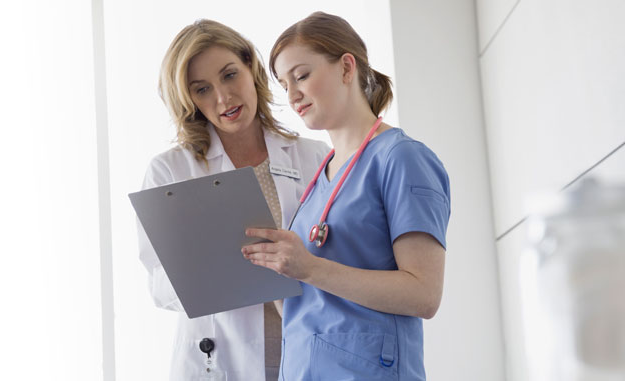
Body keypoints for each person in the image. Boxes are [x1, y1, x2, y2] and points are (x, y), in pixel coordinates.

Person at [241, 12, 450, 380]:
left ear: (346, 67)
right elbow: (314, 300)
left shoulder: (400, 158)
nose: (292, 95)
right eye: (284, 84)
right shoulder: (321, 176)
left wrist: (309, 267)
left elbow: (424, 294)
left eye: (301, 75)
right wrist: (272, 269)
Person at [137, 19, 330, 380]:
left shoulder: (315, 157)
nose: (223, 98)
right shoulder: (171, 170)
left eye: (229, 76)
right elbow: (158, 285)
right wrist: (209, 272)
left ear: (251, 68)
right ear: (189, 99)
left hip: (307, 349)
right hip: (220, 360)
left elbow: (338, 254)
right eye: (202, 89)